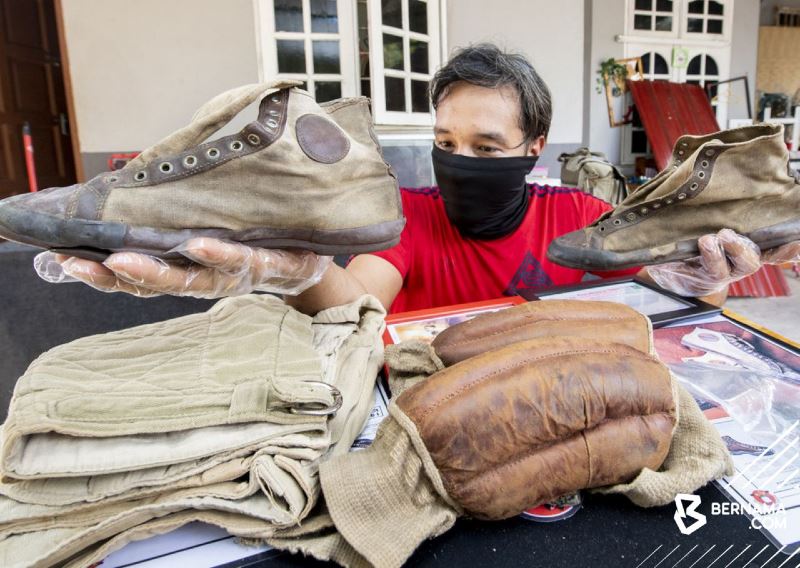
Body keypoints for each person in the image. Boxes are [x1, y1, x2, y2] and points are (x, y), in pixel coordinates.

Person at [39, 44, 798, 313]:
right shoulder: (403, 216)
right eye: (444, 139)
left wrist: (708, 276)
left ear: (534, 147)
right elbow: (355, 299)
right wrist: (290, 275)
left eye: (486, 142)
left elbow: (672, 290)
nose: (459, 157)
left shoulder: (578, 219)